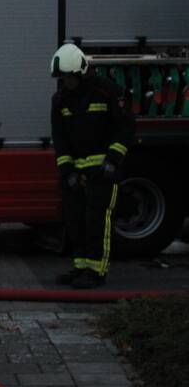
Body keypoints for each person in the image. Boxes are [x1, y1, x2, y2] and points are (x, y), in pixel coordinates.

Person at [50, 43, 134, 289]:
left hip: (102, 171)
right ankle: (81, 267)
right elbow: (60, 139)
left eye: (69, 77)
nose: (66, 82)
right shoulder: (60, 100)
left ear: (81, 72)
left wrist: (112, 161)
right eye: (62, 78)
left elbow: (126, 127)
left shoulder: (107, 92)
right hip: (76, 172)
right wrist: (68, 172)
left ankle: (97, 271)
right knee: (74, 221)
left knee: (97, 220)